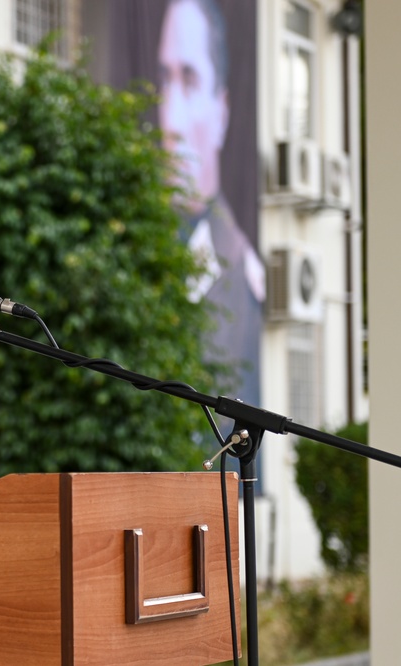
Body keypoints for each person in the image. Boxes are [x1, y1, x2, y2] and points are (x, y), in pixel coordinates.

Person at [157, 0, 265, 408]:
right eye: (164, 79)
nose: (170, 117)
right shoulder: (149, 236)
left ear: (221, 111)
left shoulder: (240, 271)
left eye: (189, 79)